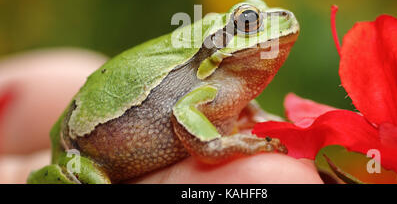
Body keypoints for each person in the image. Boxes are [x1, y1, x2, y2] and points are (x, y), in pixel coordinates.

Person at [0, 49, 322, 184]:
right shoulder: (203, 84)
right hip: (82, 153)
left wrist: (250, 115)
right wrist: (230, 145)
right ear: (216, 45)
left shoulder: (219, 83)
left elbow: (229, 99)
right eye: (249, 23)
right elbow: (184, 113)